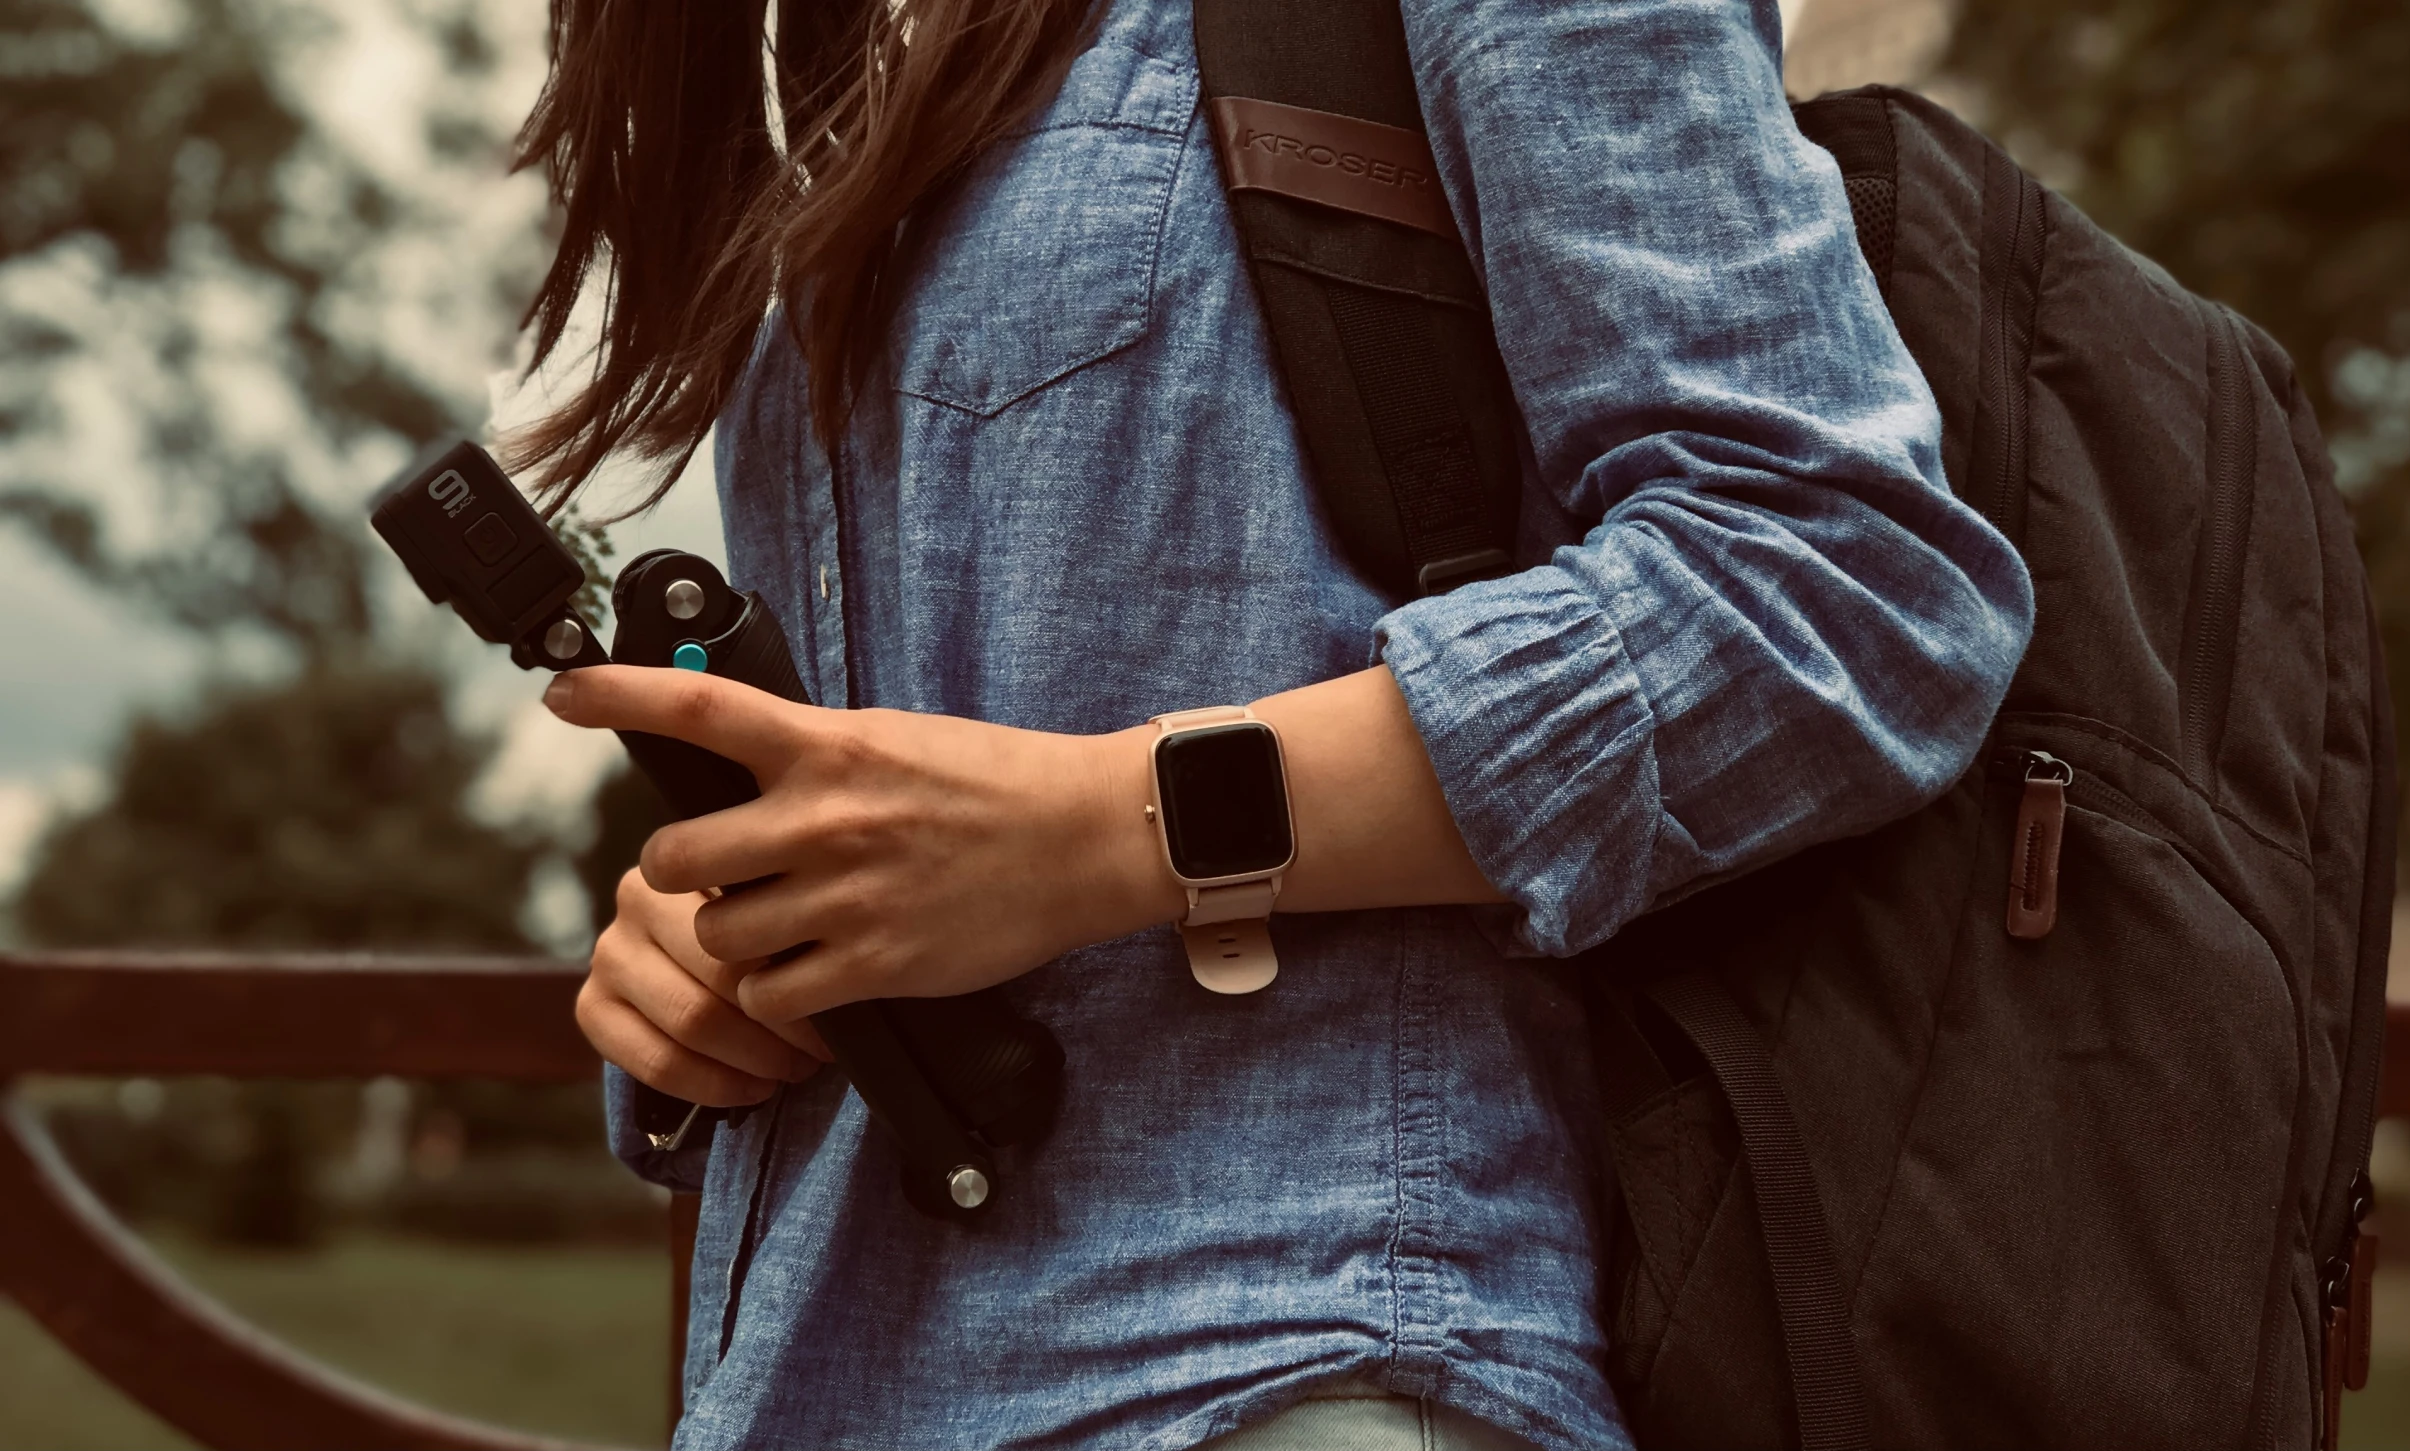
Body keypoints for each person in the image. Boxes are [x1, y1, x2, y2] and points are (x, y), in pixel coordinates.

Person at [521, 0, 2033, 1445]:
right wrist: (730, 937)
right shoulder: (842, 50)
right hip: (837, 1380)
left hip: (1292, 1365)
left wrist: (1114, 829)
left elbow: (1843, 583)